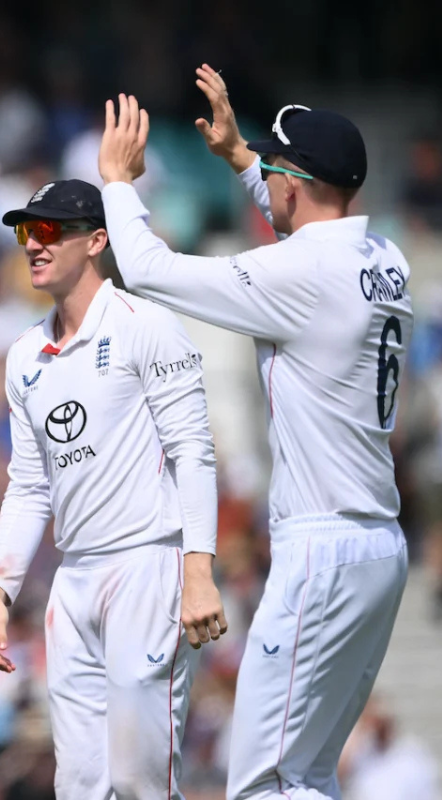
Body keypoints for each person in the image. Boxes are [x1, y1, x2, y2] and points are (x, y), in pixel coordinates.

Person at [97, 74, 413, 800]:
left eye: (273, 171)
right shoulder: (384, 259)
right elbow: (303, 234)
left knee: (265, 781)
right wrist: (243, 159)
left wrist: (117, 182)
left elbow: (146, 271)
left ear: (297, 186)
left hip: (322, 548)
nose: (265, 180)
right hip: (377, 547)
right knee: (305, 774)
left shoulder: (299, 272)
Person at [0, 179, 227, 799]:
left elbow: (194, 449)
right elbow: (29, 484)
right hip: (75, 576)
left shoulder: (148, 325)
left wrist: (199, 569)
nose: (33, 244)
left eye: (50, 230)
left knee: (141, 778)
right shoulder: (24, 354)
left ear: (97, 241)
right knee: (80, 782)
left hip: (149, 565)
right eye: (26, 231)